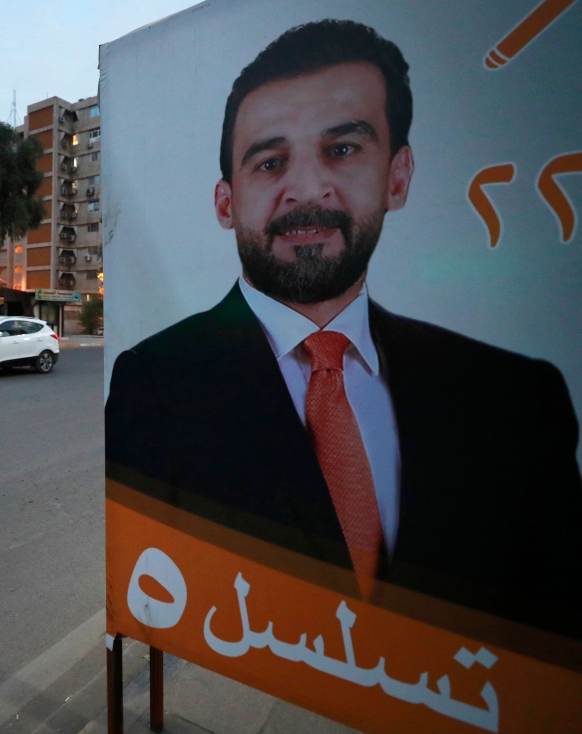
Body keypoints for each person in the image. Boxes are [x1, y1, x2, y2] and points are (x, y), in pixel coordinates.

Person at [105, 19, 582, 636]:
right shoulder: (155, 382)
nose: (305, 188)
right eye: (270, 162)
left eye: (343, 149)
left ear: (398, 175)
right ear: (227, 202)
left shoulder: (516, 399)